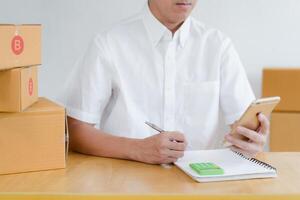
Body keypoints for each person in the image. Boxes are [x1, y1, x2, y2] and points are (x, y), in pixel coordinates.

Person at [66, 0, 269, 164]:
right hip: (125, 180)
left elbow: (242, 125)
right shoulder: (108, 43)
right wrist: (137, 149)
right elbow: (75, 130)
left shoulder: (218, 45)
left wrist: (251, 141)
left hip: (199, 184)